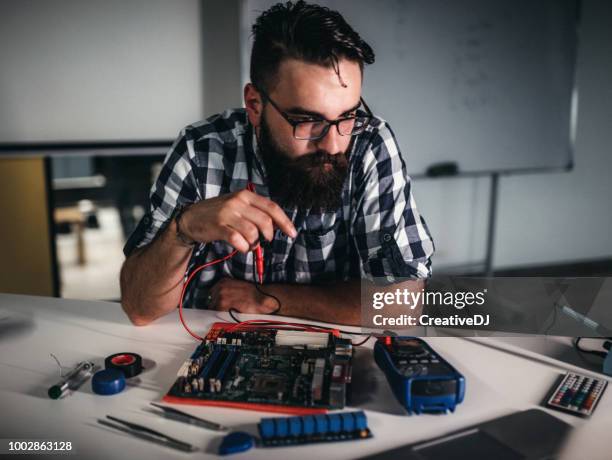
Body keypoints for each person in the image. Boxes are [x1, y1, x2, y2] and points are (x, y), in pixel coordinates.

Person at [120, 1, 434, 326]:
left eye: (348, 115)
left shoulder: (370, 144)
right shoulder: (202, 151)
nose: (333, 143)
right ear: (255, 105)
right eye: (307, 120)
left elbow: (404, 304)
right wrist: (182, 229)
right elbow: (139, 309)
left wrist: (267, 298)